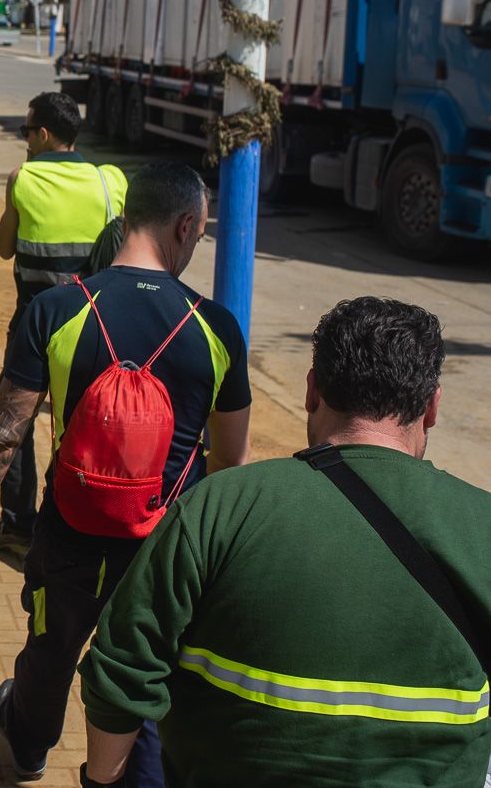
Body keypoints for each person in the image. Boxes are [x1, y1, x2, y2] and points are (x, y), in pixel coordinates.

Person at [79, 298, 491, 788]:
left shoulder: (219, 507)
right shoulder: (481, 524)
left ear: (312, 391)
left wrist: (100, 781)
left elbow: (123, 666)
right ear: (432, 407)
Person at [0, 162, 251, 786]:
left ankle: (29, 748)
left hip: (69, 529)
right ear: (187, 225)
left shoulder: (58, 309)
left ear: (124, 217)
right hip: (166, 544)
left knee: (51, 650)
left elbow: (5, 432)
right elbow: (230, 461)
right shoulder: (215, 328)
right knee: (146, 670)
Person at [0, 92, 128, 567]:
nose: (23, 139)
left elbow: (4, 247)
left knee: (14, 423)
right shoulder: (110, 181)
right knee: (79, 423)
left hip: (34, 321)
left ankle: (19, 527)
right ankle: (66, 519)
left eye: (26, 131)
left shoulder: (22, 177)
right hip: (94, 324)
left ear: (43, 134)